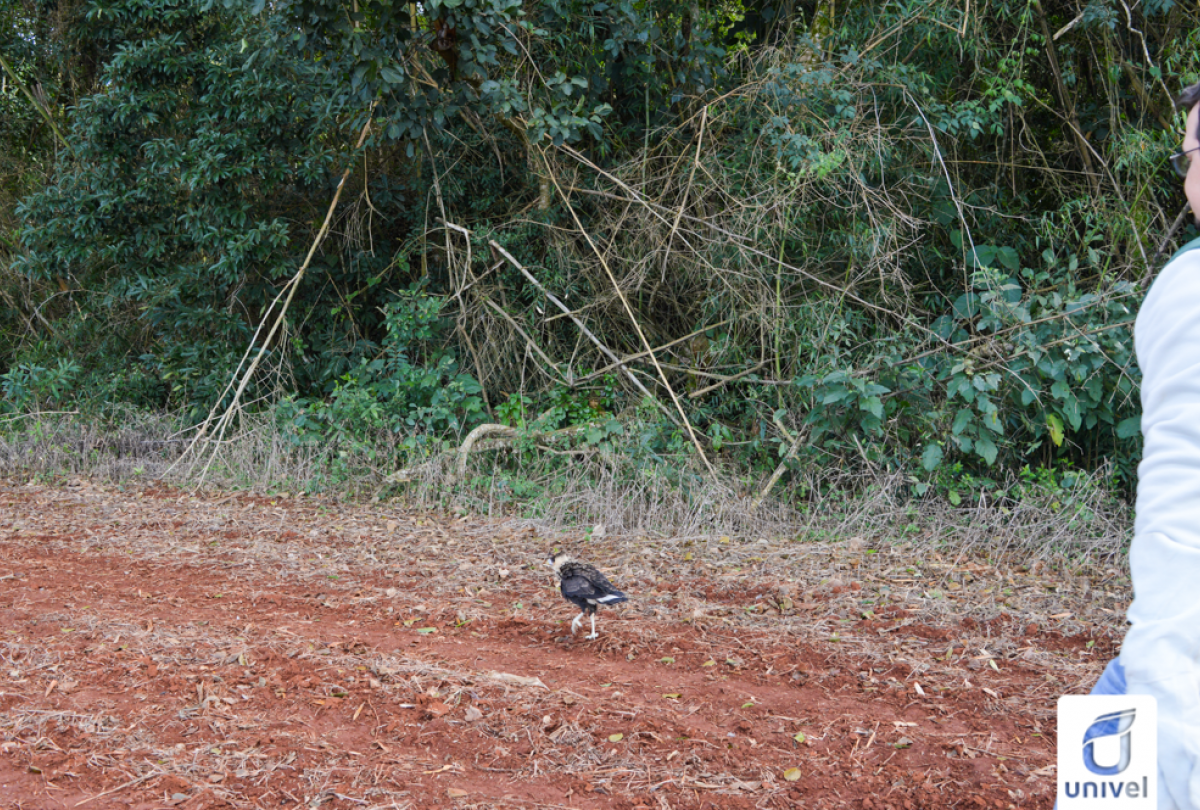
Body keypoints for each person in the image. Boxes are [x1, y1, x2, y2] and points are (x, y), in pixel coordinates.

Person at [1086, 79, 1200, 809]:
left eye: (1188, 155)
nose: (1184, 176)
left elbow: (1183, 525)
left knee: (1106, 743)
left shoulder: (1186, 293)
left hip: (1178, 660)